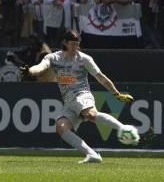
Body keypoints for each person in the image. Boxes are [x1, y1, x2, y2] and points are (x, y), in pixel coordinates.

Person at [20, 30, 138, 163]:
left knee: (91, 114)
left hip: (82, 94)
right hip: (69, 101)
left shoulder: (84, 59)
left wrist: (116, 94)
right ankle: (93, 155)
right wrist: (29, 71)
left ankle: (123, 128)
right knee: (61, 127)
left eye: (77, 44)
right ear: (64, 43)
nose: (75, 47)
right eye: (73, 44)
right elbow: (41, 67)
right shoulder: (53, 58)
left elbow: (101, 77)